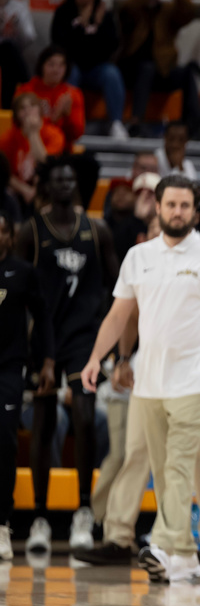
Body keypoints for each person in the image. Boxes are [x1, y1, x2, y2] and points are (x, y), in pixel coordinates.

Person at [80, 174, 200, 583]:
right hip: (148, 382)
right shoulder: (138, 256)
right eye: (171, 205)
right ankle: (186, 557)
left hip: (195, 382)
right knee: (161, 471)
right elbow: (119, 315)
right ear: (157, 208)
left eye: (185, 205)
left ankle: (164, 544)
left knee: (179, 465)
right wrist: (97, 358)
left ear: (194, 211)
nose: (178, 211)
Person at [15, 157, 119, 554]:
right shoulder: (31, 231)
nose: (63, 184)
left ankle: (83, 511)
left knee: (85, 418)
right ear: (45, 185)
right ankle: (40, 517)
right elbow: (18, 283)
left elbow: (116, 286)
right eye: (56, 178)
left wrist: (103, 333)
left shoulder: (97, 230)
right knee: (41, 424)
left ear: (77, 185)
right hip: (43, 339)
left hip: (82, 340)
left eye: (69, 179)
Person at [0, 211, 54, 561]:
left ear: (9, 236)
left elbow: (43, 316)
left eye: (1, 231)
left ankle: (2, 524)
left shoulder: (23, 272)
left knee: (4, 444)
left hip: (9, 369)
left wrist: (47, 360)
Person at [118, 0, 200, 136]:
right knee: (146, 68)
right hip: (131, 71)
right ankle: (136, 123)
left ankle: (194, 128)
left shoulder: (167, 12)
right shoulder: (133, 11)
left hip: (161, 71)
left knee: (187, 72)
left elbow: (189, 12)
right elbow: (128, 7)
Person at [51, 0, 129, 139]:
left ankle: (116, 124)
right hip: (72, 67)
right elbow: (62, 47)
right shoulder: (63, 13)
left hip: (96, 68)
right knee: (70, 72)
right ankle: (69, 122)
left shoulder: (104, 15)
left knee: (111, 73)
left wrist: (97, 25)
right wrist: (82, 25)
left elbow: (110, 47)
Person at [1, 93, 65, 207]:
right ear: (16, 114)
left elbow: (46, 163)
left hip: (44, 189)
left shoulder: (54, 134)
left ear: (40, 110)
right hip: (17, 190)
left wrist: (33, 133)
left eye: (32, 106)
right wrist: (24, 190)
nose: (28, 111)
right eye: (22, 108)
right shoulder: (8, 138)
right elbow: (3, 172)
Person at [15, 46, 87, 146]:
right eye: (51, 64)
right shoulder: (26, 91)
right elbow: (19, 124)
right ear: (42, 65)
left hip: (62, 151)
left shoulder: (73, 94)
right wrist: (54, 118)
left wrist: (67, 117)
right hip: (28, 145)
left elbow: (77, 134)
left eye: (61, 65)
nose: (56, 70)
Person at [0, 0, 34, 109]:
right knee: (8, 49)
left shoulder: (19, 6)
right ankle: (28, 86)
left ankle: (7, 109)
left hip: (12, 54)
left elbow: (29, 37)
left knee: (9, 50)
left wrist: (17, 27)